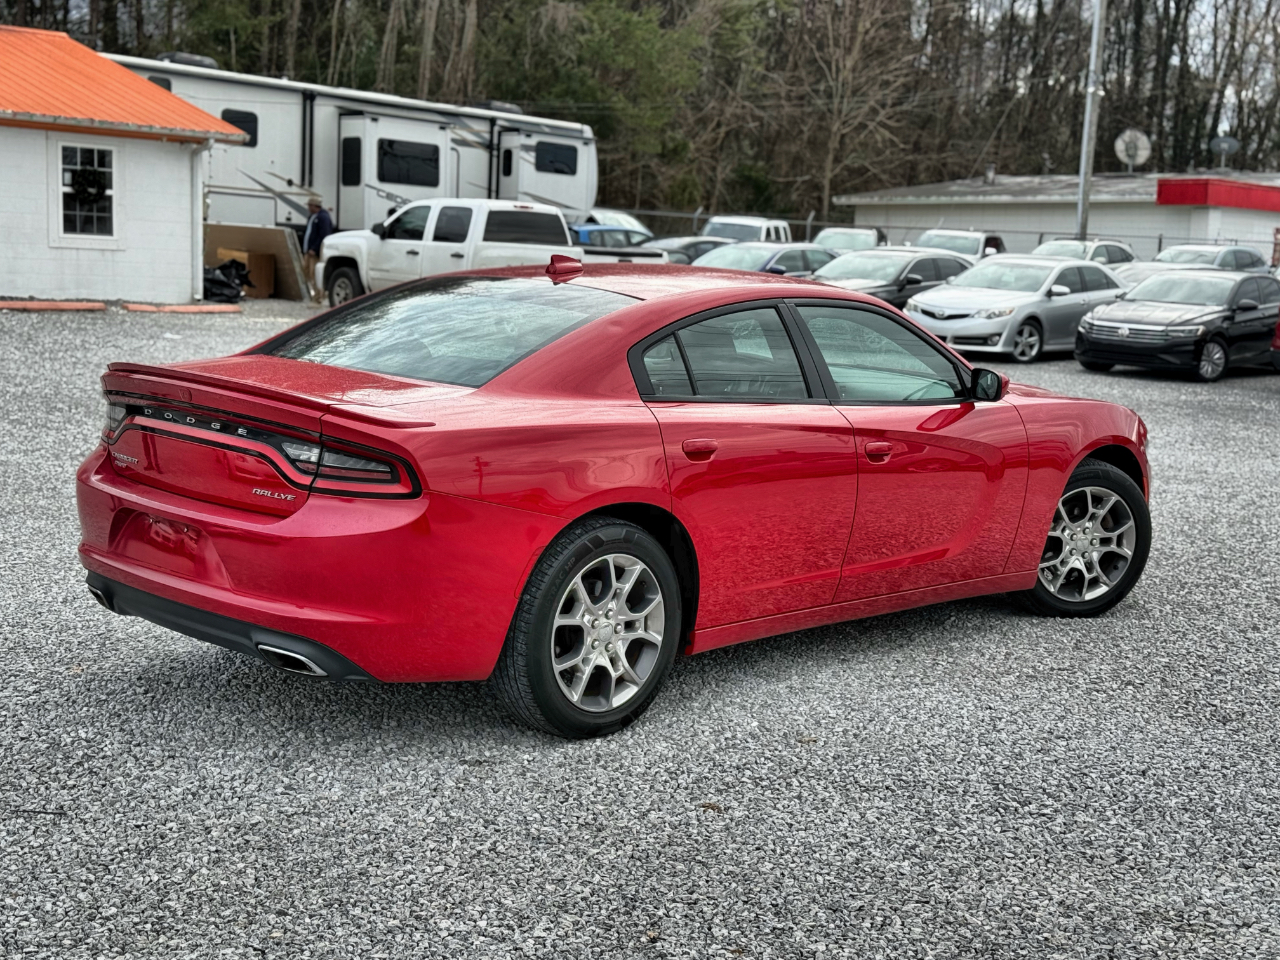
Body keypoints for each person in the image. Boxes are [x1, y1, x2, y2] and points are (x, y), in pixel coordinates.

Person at [302, 197, 334, 302]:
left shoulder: (323, 217)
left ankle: (318, 297)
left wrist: (315, 248)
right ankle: (312, 294)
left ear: (315, 206)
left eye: (309, 206)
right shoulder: (313, 216)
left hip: (314, 252)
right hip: (308, 250)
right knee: (306, 272)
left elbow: (324, 235)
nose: (308, 208)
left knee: (314, 273)